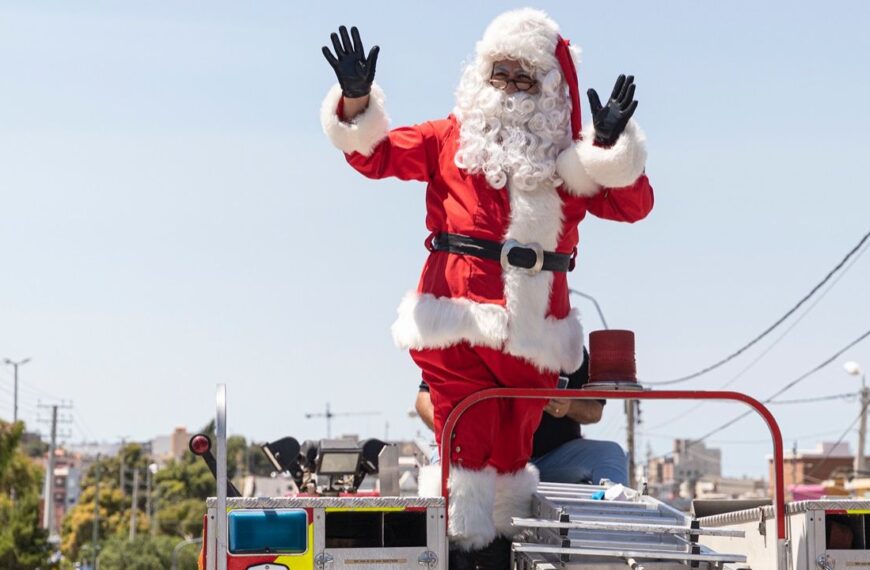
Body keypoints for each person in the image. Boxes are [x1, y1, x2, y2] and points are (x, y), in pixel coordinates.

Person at [320, 8, 653, 565]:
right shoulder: (447, 140)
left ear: (549, 89)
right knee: (468, 442)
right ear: (481, 76)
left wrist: (613, 148)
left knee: (511, 447)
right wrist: (355, 102)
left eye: (525, 78)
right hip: (455, 319)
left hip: (534, 333)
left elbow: (633, 205)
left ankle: (501, 546)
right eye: (500, 74)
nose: (510, 89)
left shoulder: (570, 164)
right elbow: (373, 153)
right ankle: (468, 548)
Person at [415, 349, 629, 487]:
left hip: (552, 459)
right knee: (443, 460)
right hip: (487, 458)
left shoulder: (568, 346)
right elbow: (424, 400)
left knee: (610, 454)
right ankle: (444, 542)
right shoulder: (476, 341)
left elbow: (595, 410)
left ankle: (617, 528)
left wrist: (569, 406)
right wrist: (457, 435)